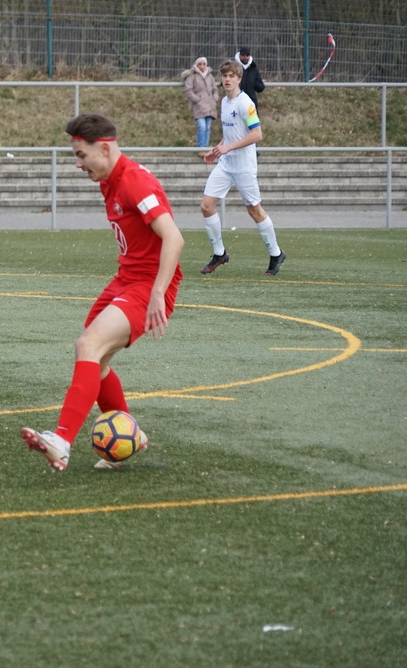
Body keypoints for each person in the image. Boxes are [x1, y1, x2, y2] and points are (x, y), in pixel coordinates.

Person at [20, 113, 184, 472]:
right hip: (126, 280)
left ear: (105, 149)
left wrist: (158, 293)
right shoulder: (109, 180)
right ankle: (132, 436)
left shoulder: (135, 182)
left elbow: (174, 238)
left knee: (88, 346)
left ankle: (61, 441)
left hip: (148, 285)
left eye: (82, 155)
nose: (78, 164)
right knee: (97, 360)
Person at [199, 60, 286, 276]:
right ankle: (220, 253)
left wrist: (228, 148)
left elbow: (257, 134)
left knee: (254, 210)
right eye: (225, 76)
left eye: (232, 76)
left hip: (244, 166)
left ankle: (276, 253)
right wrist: (217, 149)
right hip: (226, 164)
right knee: (207, 206)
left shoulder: (245, 103)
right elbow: (230, 134)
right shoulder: (225, 102)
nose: (227, 79)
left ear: (239, 79)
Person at [181, 56, 219, 152]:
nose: (202, 66)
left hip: (210, 105)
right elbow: (188, 90)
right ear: (196, 65)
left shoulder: (210, 76)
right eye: (200, 64)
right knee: (201, 126)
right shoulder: (192, 76)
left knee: (208, 127)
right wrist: (197, 99)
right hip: (199, 106)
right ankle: (201, 147)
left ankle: (205, 147)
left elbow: (215, 89)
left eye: (204, 64)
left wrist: (215, 98)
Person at [234, 47, 265, 112]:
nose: (245, 57)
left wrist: (257, 84)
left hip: (251, 103)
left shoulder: (253, 69)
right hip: (236, 102)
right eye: (243, 55)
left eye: (247, 55)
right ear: (239, 56)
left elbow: (260, 88)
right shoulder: (234, 68)